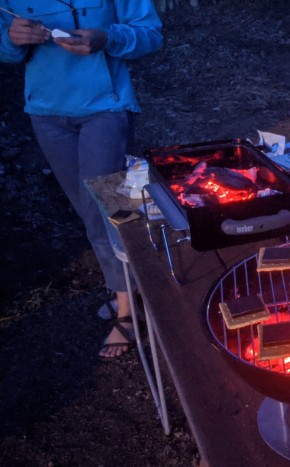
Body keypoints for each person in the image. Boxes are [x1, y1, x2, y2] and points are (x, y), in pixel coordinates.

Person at [0, 1, 163, 358]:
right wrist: (13, 40)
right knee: (86, 208)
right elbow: (6, 50)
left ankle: (128, 314)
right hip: (45, 112)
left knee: (106, 209)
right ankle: (131, 289)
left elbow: (150, 34)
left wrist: (106, 38)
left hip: (105, 108)